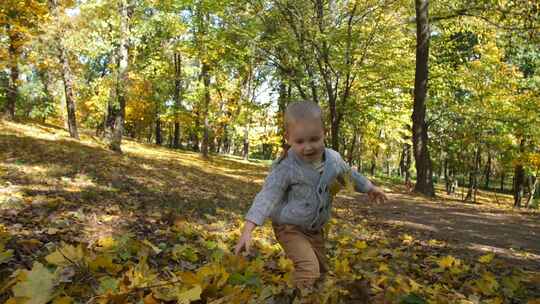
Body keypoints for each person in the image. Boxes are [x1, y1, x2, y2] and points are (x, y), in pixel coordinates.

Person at [234, 101, 387, 293]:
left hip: (315, 228)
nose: (308, 147)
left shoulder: (333, 159)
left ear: (325, 132)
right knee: (309, 269)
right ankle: (297, 296)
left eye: (314, 139)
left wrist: (370, 188)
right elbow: (267, 196)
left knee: (322, 271)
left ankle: (316, 295)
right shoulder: (286, 166)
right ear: (288, 138)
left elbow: (349, 176)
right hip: (289, 227)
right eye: (300, 142)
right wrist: (248, 229)